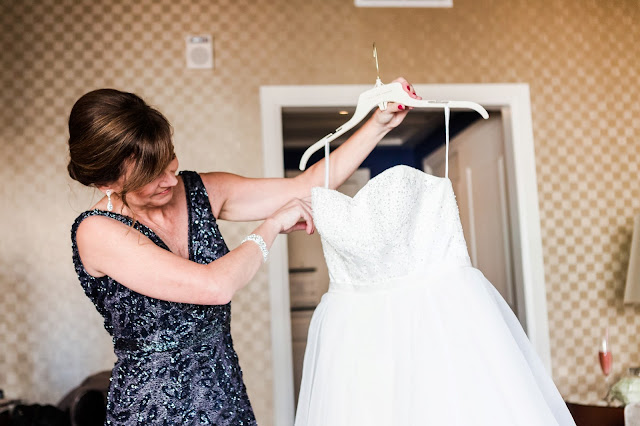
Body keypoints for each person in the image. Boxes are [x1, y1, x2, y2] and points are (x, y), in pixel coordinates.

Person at [68, 79, 418, 425]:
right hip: (154, 411)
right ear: (107, 182)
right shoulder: (97, 231)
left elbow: (305, 187)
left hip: (225, 398)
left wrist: (377, 125)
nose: (170, 181)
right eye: (152, 176)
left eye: (170, 164)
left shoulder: (199, 190)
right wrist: (272, 225)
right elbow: (213, 287)